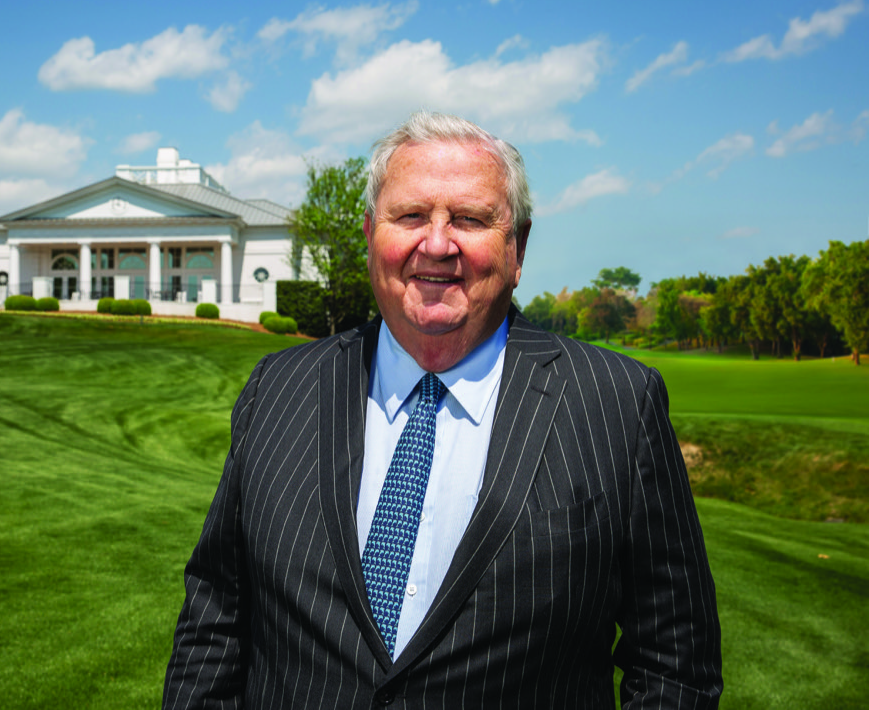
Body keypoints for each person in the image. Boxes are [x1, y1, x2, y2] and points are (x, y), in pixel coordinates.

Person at [163, 112, 722, 708]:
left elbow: (673, 662)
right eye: (410, 216)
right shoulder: (279, 389)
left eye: (470, 219)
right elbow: (215, 617)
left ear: (518, 247)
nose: (435, 243)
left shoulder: (616, 403)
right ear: (371, 233)